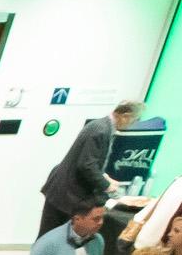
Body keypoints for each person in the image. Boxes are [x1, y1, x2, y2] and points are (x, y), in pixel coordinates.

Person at [40, 100, 139, 236]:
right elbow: (86, 165)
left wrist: (105, 177)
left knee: (57, 237)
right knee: (49, 237)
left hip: (66, 191)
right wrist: (107, 186)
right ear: (125, 115)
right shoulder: (101, 130)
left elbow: (89, 160)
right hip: (65, 193)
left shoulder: (102, 127)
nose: (134, 123)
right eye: (135, 119)